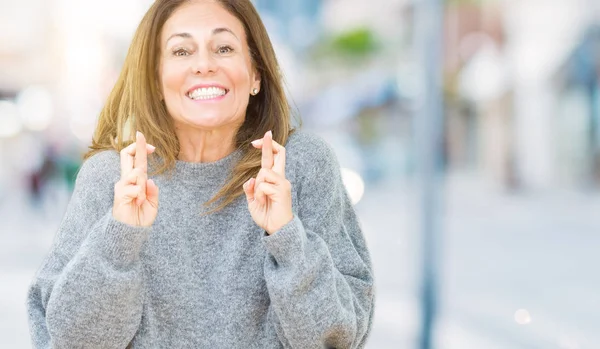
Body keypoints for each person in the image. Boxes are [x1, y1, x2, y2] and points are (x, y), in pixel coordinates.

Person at [26, 0, 375, 348]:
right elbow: (70, 340)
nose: (204, 65)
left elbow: (338, 338)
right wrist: (119, 237)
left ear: (255, 73)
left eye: (224, 48)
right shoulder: (111, 177)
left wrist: (286, 235)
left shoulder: (302, 165)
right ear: (156, 80)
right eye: (181, 51)